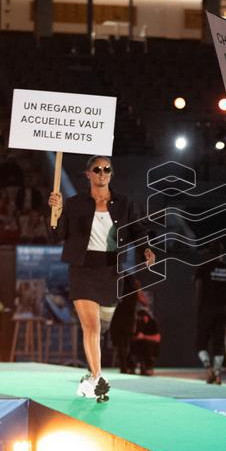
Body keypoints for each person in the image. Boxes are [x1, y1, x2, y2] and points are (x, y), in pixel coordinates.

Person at [49, 155, 153, 401]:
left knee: (103, 326)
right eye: (97, 169)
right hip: (83, 270)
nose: (102, 173)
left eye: (107, 169)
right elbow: (58, 234)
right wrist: (56, 211)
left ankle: (88, 378)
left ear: (111, 174)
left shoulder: (124, 203)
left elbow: (137, 229)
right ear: (88, 174)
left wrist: (146, 248)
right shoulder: (74, 204)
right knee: (91, 327)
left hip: (110, 272)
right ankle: (97, 378)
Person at [194, 250, 226, 384]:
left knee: (200, 343)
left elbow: (199, 291)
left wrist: (198, 310)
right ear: (222, 254)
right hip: (222, 312)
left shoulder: (203, 269)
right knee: (219, 344)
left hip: (206, 311)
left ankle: (208, 368)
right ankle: (217, 372)